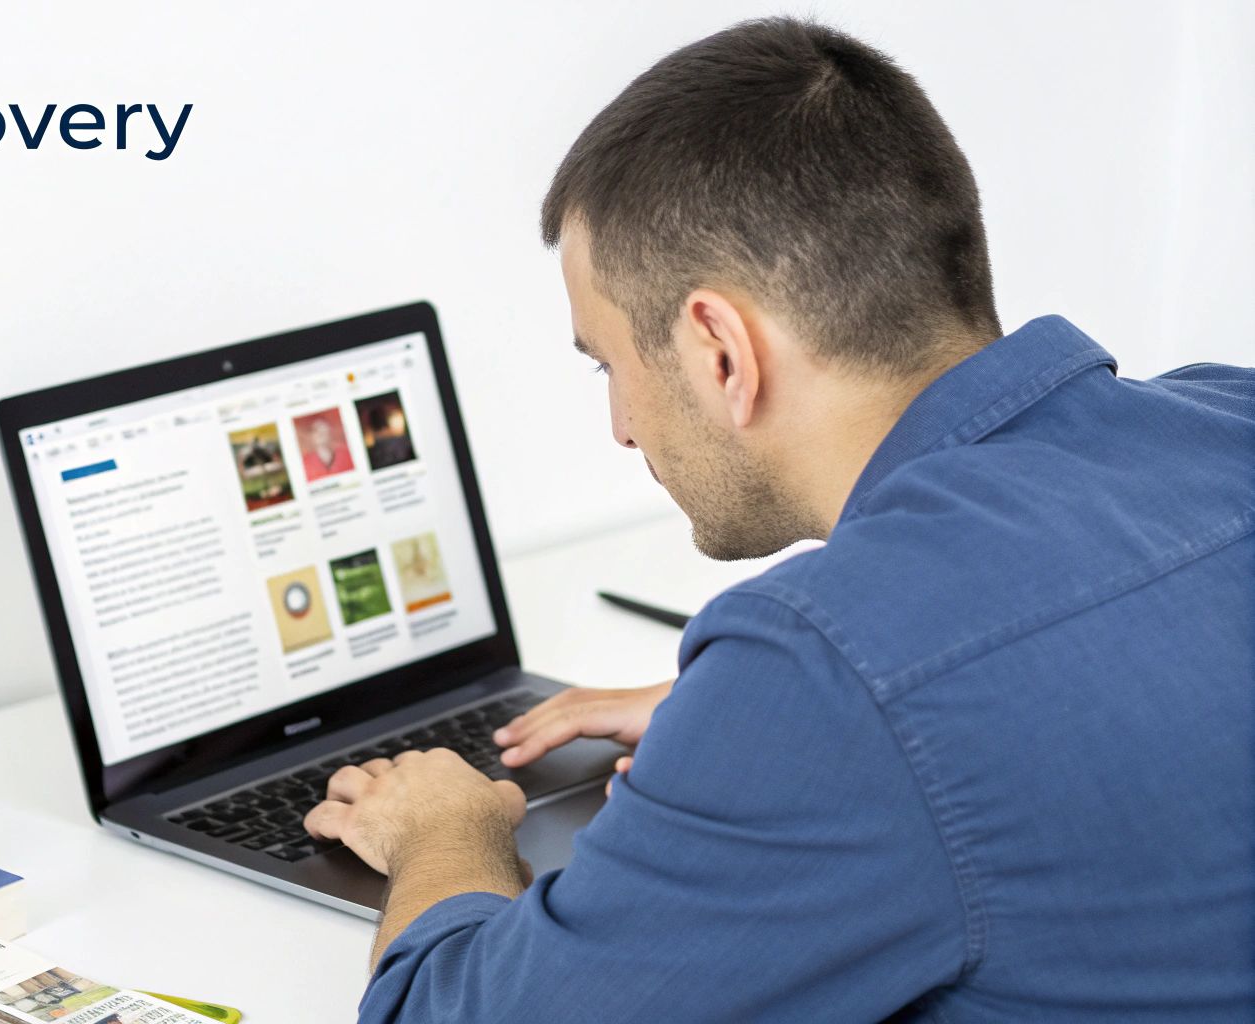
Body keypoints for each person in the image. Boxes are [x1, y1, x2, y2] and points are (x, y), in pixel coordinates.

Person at [302, 17, 1254, 1022]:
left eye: (608, 363)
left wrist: (445, 831)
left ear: (718, 349)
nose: (621, 426)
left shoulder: (828, 666)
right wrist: (744, 734)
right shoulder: (1225, 418)